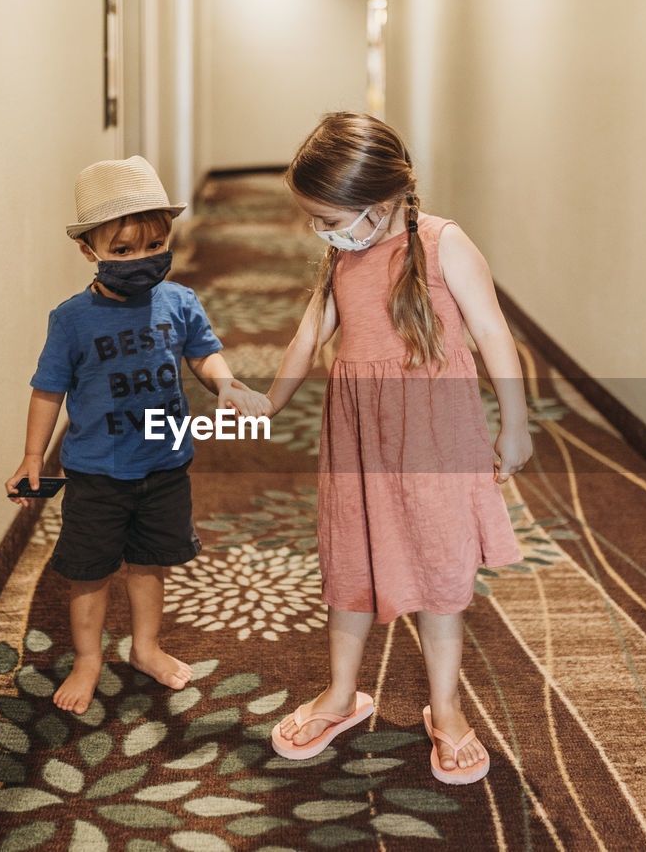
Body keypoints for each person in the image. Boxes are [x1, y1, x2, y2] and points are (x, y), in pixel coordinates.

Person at [265, 113, 532, 785]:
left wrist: (516, 423)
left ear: (379, 203)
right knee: (349, 557)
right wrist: (269, 402)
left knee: (441, 570)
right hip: (359, 436)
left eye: (328, 217)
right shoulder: (341, 254)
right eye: (314, 219)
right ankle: (341, 692)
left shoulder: (444, 245)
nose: (319, 231)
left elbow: (495, 336)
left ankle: (444, 707)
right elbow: (306, 336)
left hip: (435, 436)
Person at [7, 156, 271, 715]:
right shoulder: (72, 319)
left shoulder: (179, 302)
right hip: (96, 471)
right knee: (90, 569)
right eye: (122, 251)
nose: (141, 260)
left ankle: (145, 647)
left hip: (165, 463)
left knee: (151, 561)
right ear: (90, 251)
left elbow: (203, 354)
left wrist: (224, 385)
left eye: (154, 246)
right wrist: (34, 455)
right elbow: (47, 389)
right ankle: (87, 658)